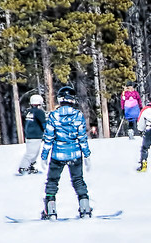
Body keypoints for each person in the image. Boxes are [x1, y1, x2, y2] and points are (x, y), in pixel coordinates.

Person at [40, 85, 92, 220]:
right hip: (75, 153)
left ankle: (50, 209)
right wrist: (86, 154)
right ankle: (85, 207)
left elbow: (48, 137)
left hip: (57, 154)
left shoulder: (54, 115)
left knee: (52, 181)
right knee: (78, 180)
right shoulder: (78, 115)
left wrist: (44, 155)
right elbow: (82, 137)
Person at [17, 93, 46, 175]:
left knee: (33, 152)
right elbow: (43, 123)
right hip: (35, 135)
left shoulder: (29, 111)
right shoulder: (39, 112)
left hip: (29, 135)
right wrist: (47, 131)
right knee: (32, 153)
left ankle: (30, 165)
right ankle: (23, 167)